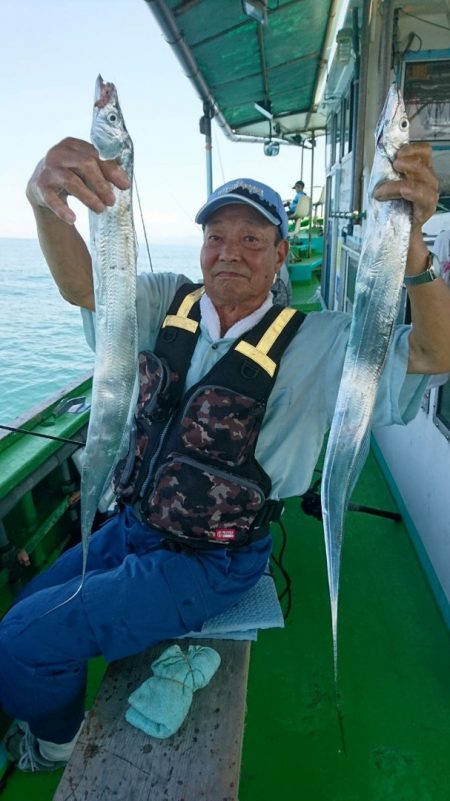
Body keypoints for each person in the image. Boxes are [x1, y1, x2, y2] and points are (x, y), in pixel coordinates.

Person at [1, 137, 450, 773]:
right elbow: (84, 288)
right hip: (131, 528)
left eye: (252, 240)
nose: (229, 253)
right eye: (216, 237)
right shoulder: (165, 299)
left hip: (214, 559)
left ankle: (56, 742)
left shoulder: (319, 342)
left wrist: (414, 258)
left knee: (19, 643)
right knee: (24, 613)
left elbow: (434, 356)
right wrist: (43, 203)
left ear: (280, 257)